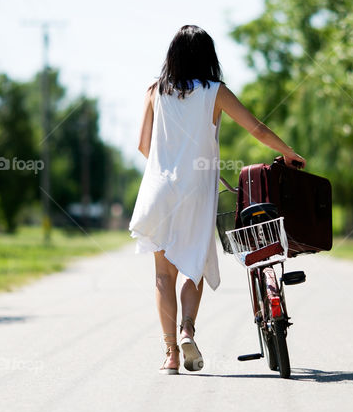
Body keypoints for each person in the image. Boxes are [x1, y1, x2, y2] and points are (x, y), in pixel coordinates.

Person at [129, 25, 306, 374]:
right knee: (192, 267)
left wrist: (168, 167)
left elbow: (142, 146)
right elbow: (256, 128)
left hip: (158, 190)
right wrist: (287, 152)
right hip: (195, 192)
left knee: (163, 276)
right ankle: (187, 330)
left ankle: (170, 356)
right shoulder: (215, 92)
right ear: (207, 57)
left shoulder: (154, 91)